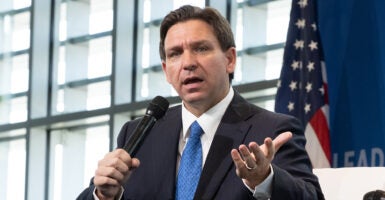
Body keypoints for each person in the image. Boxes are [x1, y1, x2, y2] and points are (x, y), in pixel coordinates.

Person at [77, 5, 324, 200]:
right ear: (166, 70)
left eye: (201, 49)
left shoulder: (272, 130)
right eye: (175, 54)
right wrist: (104, 195)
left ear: (230, 59)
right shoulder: (139, 134)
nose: (188, 63)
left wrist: (265, 179)